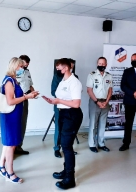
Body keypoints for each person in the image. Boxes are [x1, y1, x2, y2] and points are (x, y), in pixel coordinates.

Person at [0, 57, 38, 183]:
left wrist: (30, 95)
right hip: (9, 116)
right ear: (14, 67)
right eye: (20, 67)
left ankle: (0, 166)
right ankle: (10, 173)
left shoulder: (15, 80)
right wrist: (26, 97)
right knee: (10, 145)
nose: (21, 69)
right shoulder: (9, 81)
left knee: (10, 143)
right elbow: (10, 101)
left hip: (15, 114)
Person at [45, 58, 83, 190]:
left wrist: (59, 100)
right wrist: (54, 101)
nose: (57, 70)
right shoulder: (63, 81)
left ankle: (70, 178)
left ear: (66, 68)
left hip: (72, 115)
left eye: (59, 68)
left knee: (67, 146)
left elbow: (76, 104)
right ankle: (65, 170)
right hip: (62, 113)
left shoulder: (74, 82)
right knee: (64, 143)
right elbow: (61, 98)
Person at [51, 58, 77, 158]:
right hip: (59, 107)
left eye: (72, 65)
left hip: (70, 107)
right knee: (59, 127)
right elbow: (53, 91)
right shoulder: (57, 77)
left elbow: (76, 95)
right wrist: (64, 98)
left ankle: (68, 147)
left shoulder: (75, 78)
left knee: (69, 129)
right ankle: (57, 148)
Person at [86, 57, 112, 153]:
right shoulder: (92, 75)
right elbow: (89, 90)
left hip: (105, 102)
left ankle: (101, 143)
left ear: (106, 64)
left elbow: (110, 90)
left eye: (103, 63)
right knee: (93, 124)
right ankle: (92, 144)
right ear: (97, 64)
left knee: (102, 124)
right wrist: (97, 101)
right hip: (94, 102)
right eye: (99, 63)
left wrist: (106, 101)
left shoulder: (109, 76)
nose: (101, 65)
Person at [15, 55, 35, 155]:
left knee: (23, 123)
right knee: (15, 123)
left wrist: (34, 92)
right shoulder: (14, 72)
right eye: (25, 63)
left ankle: (19, 147)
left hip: (26, 99)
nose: (26, 65)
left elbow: (30, 85)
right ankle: (12, 148)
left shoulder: (27, 72)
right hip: (16, 100)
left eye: (28, 63)